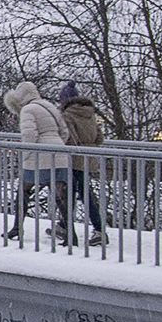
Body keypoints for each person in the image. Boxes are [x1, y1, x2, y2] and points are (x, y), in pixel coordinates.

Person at [2, 80, 69, 242]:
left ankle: (17, 228)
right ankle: (70, 233)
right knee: (60, 195)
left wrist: (25, 155)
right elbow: (65, 132)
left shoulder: (27, 110)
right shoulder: (49, 106)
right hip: (59, 154)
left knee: (23, 190)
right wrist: (57, 146)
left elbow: (29, 135)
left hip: (40, 156)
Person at [57, 81, 107, 247]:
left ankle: (97, 230)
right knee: (84, 193)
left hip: (74, 158)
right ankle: (64, 226)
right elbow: (99, 138)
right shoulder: (90, 114)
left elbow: (68, 138)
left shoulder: (67, 115)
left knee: (70, 194)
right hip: (89, 158)